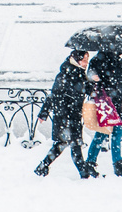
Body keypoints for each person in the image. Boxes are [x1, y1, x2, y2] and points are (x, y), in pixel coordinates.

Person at [34, 49, 95, 178]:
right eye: (84, 60)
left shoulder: (80, 74)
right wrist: (44, 113)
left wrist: (94, 83)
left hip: (73, 115)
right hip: (65, 116)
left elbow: (87, 90)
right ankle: (84, 174)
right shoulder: (65, 75)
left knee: (62, 144)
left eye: (87, 61)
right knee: (74, 145)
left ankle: (42, 167)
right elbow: (53, 96)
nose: (86, 63)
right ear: (77, 60)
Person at [84, 50, 122, 177]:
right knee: (112, 133)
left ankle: (91, 163)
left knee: (105, 132)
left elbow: (90, 83)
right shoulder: (119, 62)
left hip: (105, 101)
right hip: (109, 102)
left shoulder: (97, 61)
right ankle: (116, 166)